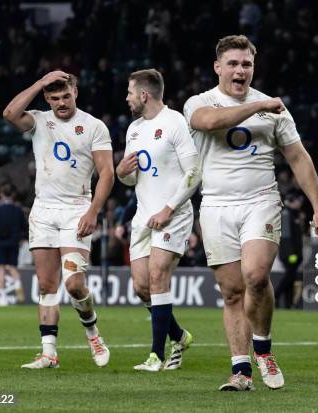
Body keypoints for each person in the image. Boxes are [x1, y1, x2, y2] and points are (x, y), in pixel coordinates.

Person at [184, 35, 318, 391]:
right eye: (233, 63)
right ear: (218, 67)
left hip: (260, 200)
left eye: (246, 64)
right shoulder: (199, 102)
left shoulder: (275, 110)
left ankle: (262, 348)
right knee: (232, 291)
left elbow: (297, 156)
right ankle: (241, 371)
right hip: (216, 205)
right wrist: (257, 107)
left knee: (255, 273)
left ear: (254, 67)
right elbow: (208, 122)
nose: (240, 70)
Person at [3, 70, 114, 369]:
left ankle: (93, 333)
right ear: (46, 98)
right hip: (43, 212)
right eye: (54, 98)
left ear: (75, 91)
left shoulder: (94, 126)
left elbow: (107, 173)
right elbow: (10, 113)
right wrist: (39, 81)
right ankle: (49, 353)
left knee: (75, 284)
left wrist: (93, 211)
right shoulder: (39, 120)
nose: (61, 103)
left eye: (66, 96)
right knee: (46, 285)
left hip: (77, 210)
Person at [116, 69, 201, 371]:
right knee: (142, 287)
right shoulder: (134, 130)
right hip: (143, 216)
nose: (126, 98)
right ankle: (178, 336)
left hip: (172, 214)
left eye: (129, 93)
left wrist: (169, 208)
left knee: (157, 277)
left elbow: (194, 174)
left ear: (144, 94)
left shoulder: (175, 122)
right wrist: (121, 173)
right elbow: (131, 179)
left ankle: (156, 355)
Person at [0, 183, 28, 306]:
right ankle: (18, 287)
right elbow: (24, 227)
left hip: (0, 242)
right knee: (12, 268)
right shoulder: (18, 210)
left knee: (1, 269)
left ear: (1, 194)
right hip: (14, 242)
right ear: (13, 195)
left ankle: (3, 298)